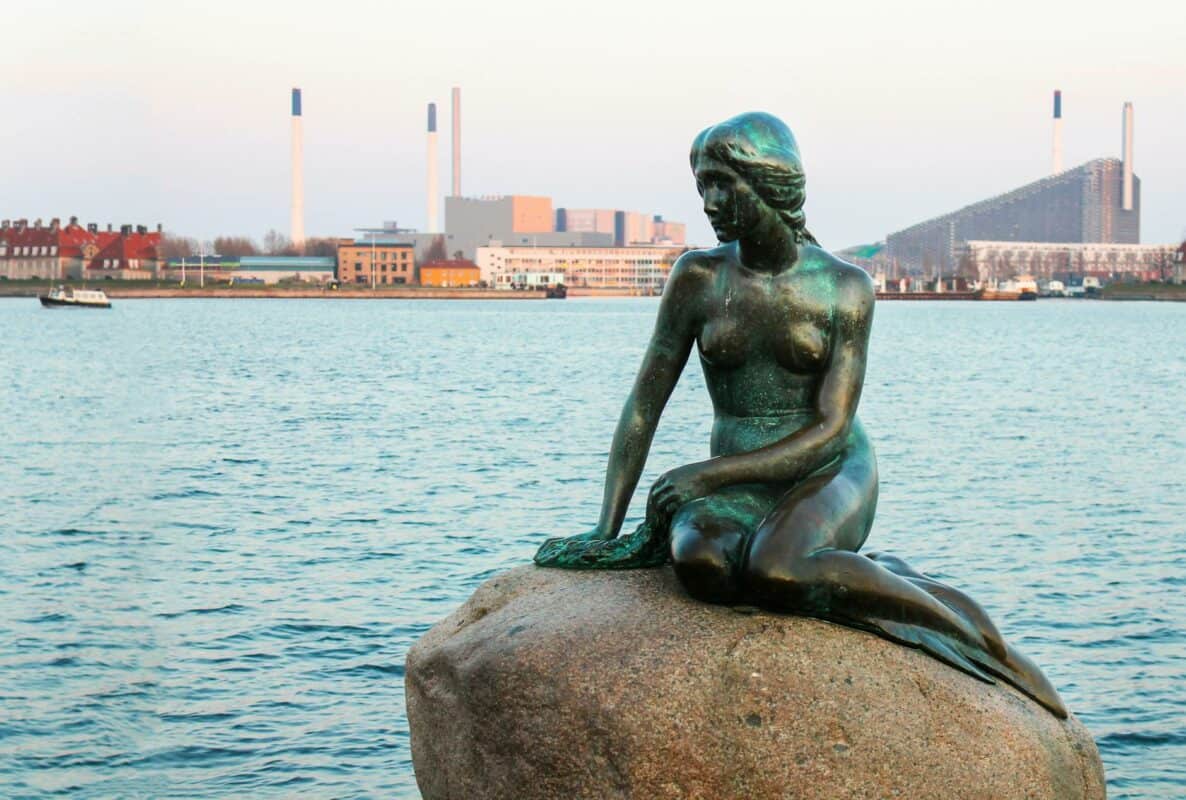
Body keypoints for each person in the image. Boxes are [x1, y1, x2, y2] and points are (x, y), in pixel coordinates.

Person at [535, 112, 1066, 718]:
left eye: (724, 184)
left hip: (830, 469)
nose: (709, 201)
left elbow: (830, 429)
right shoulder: (698, 277)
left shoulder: (844, 287)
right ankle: (858, 572)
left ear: (772, 186)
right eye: (702, 184)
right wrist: (608, 528)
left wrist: (705, 478)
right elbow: (643, 405)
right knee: (701, 564)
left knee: (778, 569)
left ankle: (975, 638)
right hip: (740, 478)